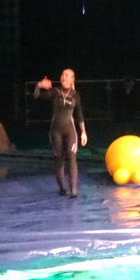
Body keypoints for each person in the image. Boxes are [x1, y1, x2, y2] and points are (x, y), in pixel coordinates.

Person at [33, 68, 87, 197]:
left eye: (67, 75)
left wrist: (83, 132)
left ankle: (73, 189)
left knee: (72, 158)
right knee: (59, 158)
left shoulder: (75, 94)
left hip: (70, 131)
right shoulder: (55, 92)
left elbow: (79, 114)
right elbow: (36, 95)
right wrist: (39, 85)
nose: (63, 77)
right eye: (62, 74)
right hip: (56, 131)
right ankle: (63, 188)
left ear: (72, 79)